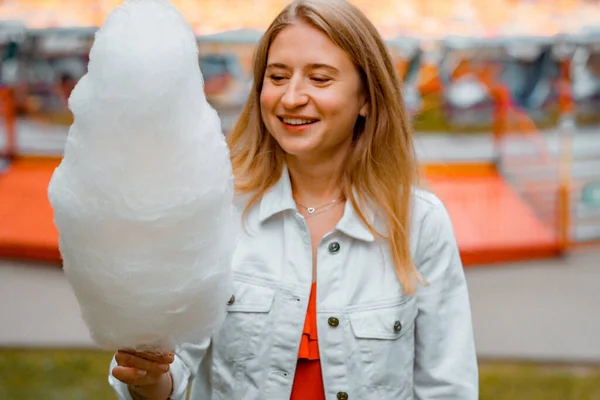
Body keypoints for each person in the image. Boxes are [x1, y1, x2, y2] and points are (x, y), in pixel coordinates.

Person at [109, 0, 479, 398]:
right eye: (278, 76)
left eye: (320, 79)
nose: (291, 98)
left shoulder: (418, 223)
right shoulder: (216, 209)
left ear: (367, 98)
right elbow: (172, 368)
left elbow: (447, 387)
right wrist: (148, 378)